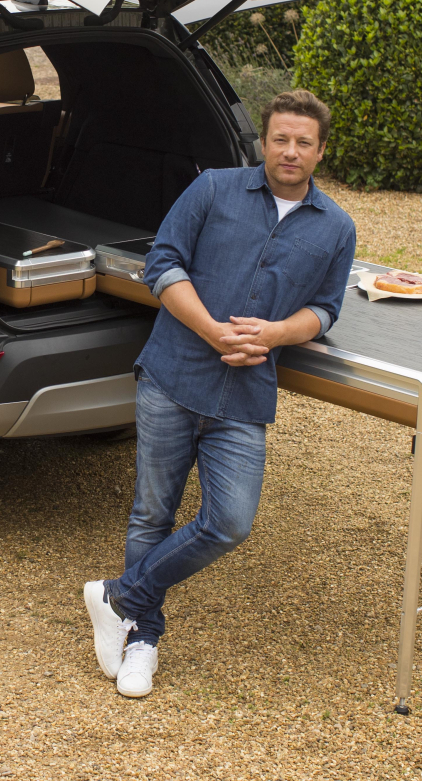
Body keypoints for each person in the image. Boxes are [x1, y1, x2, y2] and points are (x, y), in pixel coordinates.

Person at [83, 89, 356, 698]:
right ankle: (142, 640)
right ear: (263, 141)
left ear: (321, 151)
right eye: (280, 138)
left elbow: (327, 309)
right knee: (152, 513)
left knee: (231, 521)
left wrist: (281, 332)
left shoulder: (337, 228)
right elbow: (162, 263)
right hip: (173, 375)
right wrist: (212, 331)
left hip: (246, 395)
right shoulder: (212, 189)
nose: (290, 151)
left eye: (303, 142)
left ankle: (117, 596)